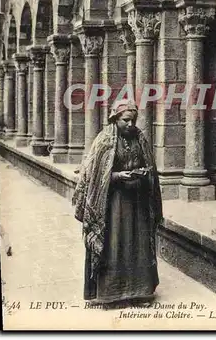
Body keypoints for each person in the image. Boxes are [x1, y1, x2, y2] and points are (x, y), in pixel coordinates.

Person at [72, 99, 163, 307]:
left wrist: (144, 174)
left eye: (133, 120)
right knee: (114, 246)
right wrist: (116, 176)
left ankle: (139, 292)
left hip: (136, 202)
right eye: (126, 120)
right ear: (115, 119)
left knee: (137, 245)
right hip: (112, 205)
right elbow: (95, 174)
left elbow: (149, 165)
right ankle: (111, 294)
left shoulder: (140, 138)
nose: (130, 124)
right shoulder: (105, 140)